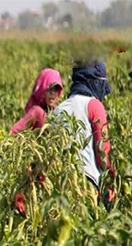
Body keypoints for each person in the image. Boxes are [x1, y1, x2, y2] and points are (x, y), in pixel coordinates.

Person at [53, 60, 116, 201]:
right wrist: (111, 180)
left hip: (61, 185)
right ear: (95, 82)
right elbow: (102, 150)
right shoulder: (93, 105)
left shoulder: (58, 109)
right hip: (87, 183)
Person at [10, 68, 63, 135]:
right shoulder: (37, 112)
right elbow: (13, 132)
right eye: (49, 89)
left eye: (56, 90)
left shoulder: (57, 113)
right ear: (42, 91)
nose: (52, 93)